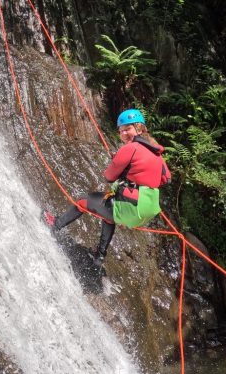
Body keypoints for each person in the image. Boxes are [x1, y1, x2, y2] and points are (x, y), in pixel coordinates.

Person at [44, 109, 171, 267]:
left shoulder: (130, 148)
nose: (124, 133)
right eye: (121, 130)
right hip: (147, 209)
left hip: (132, 205)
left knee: (83, 200)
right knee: (108, 214)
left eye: (128, 129)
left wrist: (121, 164)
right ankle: (99, 256)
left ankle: (55, 224)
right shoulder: (157, 153)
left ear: (139, 128)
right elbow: (166, 179)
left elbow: (109, 176)